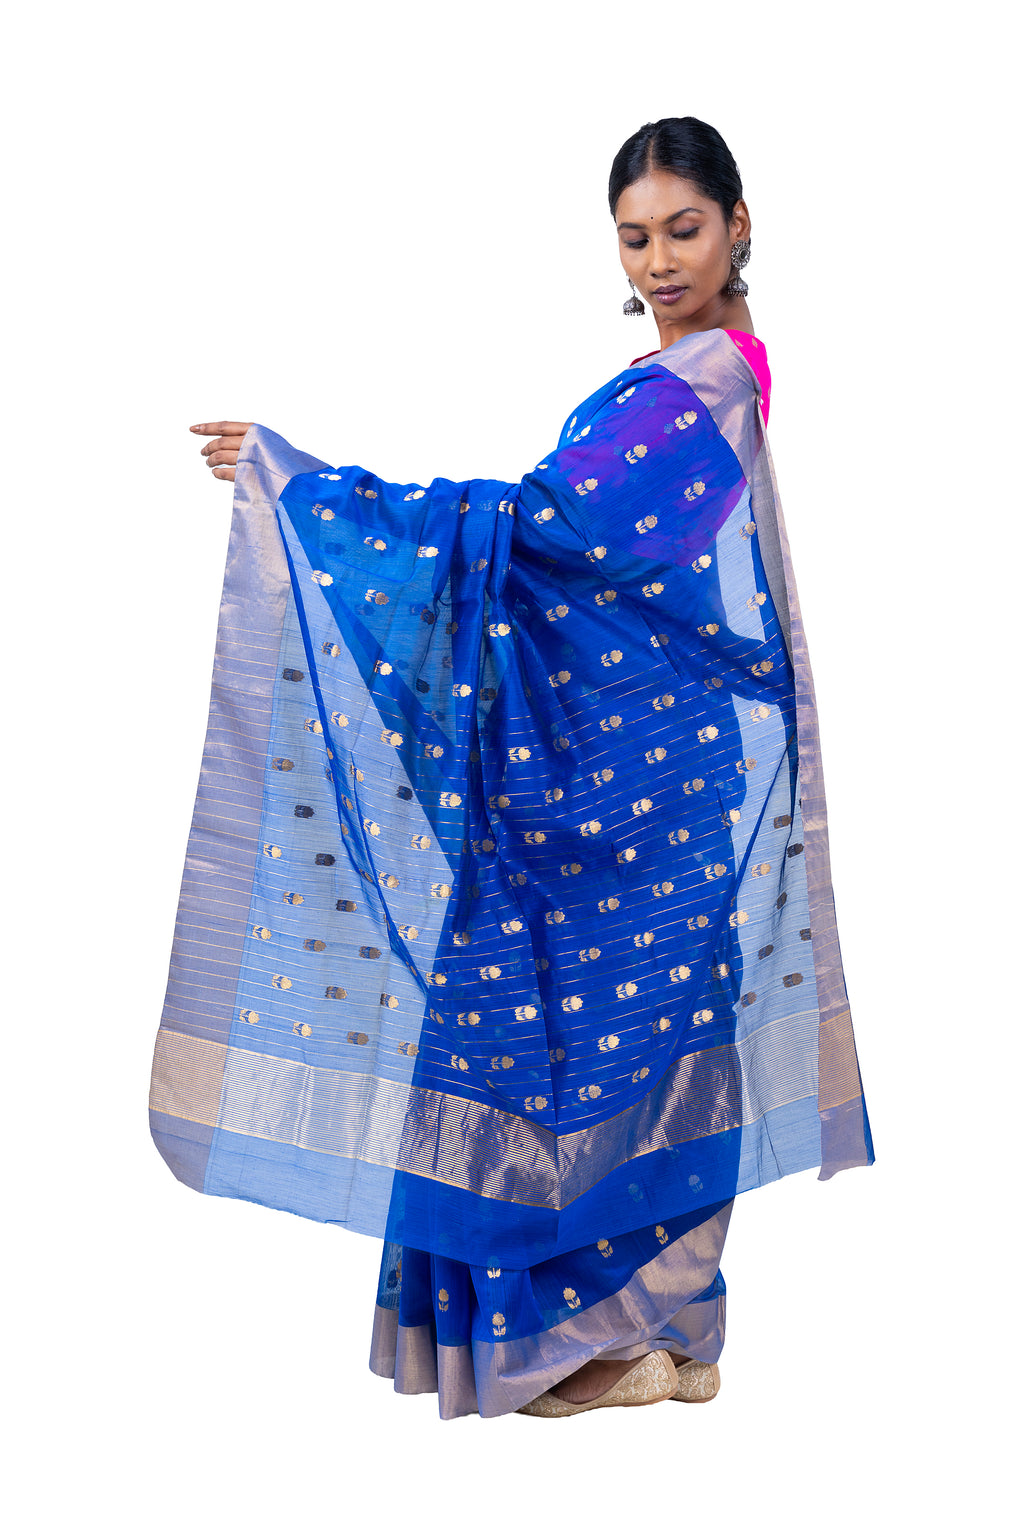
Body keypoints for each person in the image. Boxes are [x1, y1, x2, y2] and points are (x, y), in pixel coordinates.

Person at [151, 116, 873, 1420]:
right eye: (636, 235)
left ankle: (609, 1341)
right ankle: (672, 1344)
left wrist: (311, 487)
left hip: (648, 781)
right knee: (632, 1029)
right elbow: (577, 554)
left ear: (740, 224)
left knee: (625, 1034)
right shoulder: (664, 377)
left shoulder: (707, 381)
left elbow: (549, 532)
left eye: (684, 228)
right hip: (625, 759)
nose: (659, 257)